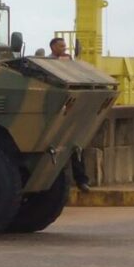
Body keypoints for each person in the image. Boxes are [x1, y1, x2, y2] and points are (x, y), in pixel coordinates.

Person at [49, 36, 90, 192]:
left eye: (64, 46)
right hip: (57, 112)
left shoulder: (68, 62)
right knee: (56, 152)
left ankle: (82, 181)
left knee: (76, 148)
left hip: (70, 111)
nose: (64, 48)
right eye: (61, 46)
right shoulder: (48, 63)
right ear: (53, 47)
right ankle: (57, 184)